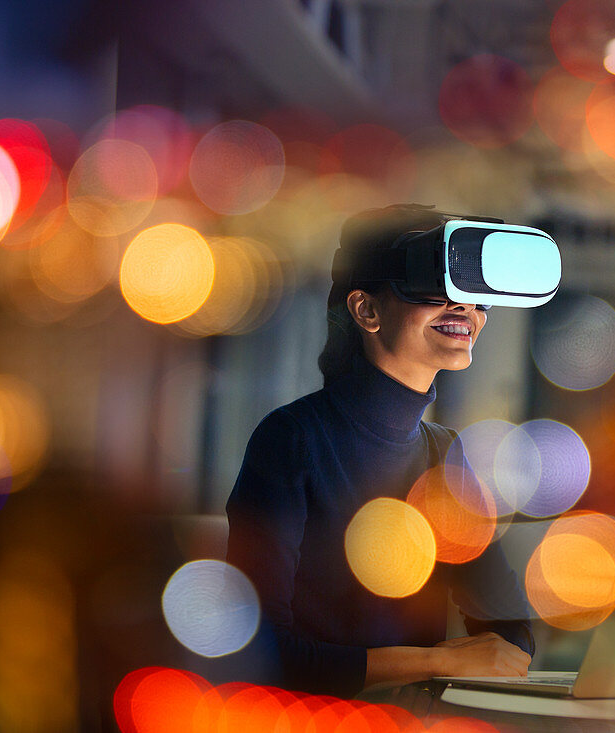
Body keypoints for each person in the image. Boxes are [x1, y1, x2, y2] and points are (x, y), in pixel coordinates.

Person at [225, 205, 534, 699]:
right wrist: (435, 661)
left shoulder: (448, 454)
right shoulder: (292, 439)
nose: (464, 310)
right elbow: (260, 650)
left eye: (475, 295)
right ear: (366, 310)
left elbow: (507, 625)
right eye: (435, 285)